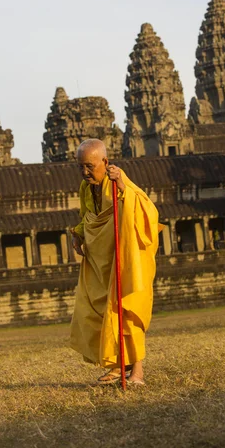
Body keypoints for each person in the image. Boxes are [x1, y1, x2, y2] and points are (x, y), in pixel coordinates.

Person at [69, 138, 162, 386]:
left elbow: (147, 210)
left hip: (127, 257)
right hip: (102, 259)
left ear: (105, 162)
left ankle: (137, 373)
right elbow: (88, 216)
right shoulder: (85, 188)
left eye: (89, 166)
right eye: (80, 166)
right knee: (100, 310)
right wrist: (77, 233)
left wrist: (122, 187)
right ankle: (116, 366)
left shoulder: (118, 181)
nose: (85, 172)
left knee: (127, 310)